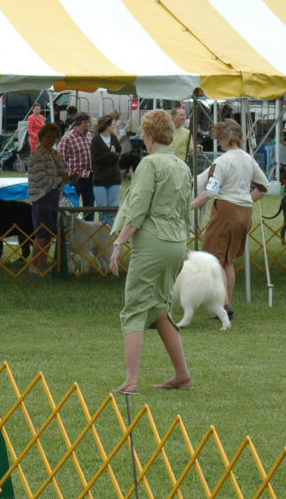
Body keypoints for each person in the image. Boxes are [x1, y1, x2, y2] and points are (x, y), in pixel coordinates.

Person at [109, 109, 193, 394]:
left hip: (153, 242)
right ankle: (183, 375)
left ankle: (131, 381)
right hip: (176, 243)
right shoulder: (182, 165)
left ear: (148, 135)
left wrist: (118, 244)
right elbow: (186, 210)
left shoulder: (148, 164)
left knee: (133, 308)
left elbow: (138, 209)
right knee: (159, 309)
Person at [190, 119, 268, 321]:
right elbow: (264, 186)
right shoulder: (248, 159)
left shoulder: (221, 162)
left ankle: (224, 305)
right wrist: (247, 201)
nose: (217, 141)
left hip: (226, 211)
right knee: (228, 261)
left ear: (224, 138)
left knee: (215, 260)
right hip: (245, 213)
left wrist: (188, 206)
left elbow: (210, 192)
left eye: (218, 137)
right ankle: (226, 305)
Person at [27, 122, 67, 274]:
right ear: (41, 137)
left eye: (53, 137)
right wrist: (60, 178)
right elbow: (41, 180)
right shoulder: (36, 154)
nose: (51, 140)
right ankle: (33, 265)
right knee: (42, 233)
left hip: (54, 196)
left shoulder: (54, 154)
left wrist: (69, 177)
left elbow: (61, 173)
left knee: (49, 233)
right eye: (48, 137)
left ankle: (42, 264)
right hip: (41, 197)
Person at [58, 112, 95, 221]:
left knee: (89, 208)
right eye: (90, 123)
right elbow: (61, 161)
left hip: (90, 177)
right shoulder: (67, 138)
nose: (91, 125)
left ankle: (89, 233)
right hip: (75, 179)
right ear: (83, 123)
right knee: (71, 208)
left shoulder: (90, 136)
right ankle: (70, 233)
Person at [90, 115, 122, 227]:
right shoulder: (96, 140)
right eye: (112, 124)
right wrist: (110, 155)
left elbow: (119, 153)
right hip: (99, 180)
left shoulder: (114, 138)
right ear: (106, 125)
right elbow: (96, 159)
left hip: (115, 180)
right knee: (103, 211)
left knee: (113, 210)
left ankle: (112, 239)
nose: (114, 126)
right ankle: (103, 238)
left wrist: (111, 156)